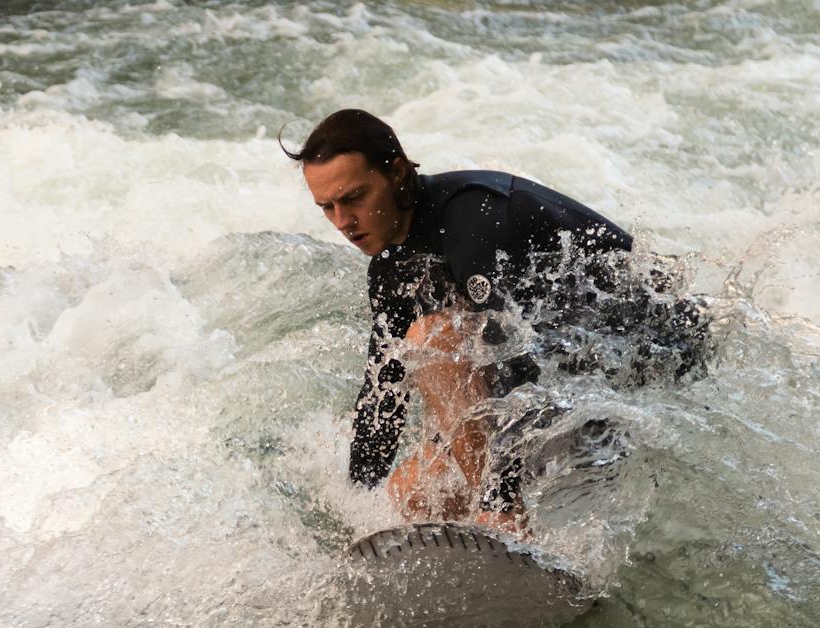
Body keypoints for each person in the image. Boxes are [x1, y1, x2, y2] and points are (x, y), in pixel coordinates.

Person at [285, 108, 704, 533]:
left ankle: (509, 526)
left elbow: (514, 357)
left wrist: (498, 500)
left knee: (432, 340)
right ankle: (508, 569)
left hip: (649, 373)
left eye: (354, 198)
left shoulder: (474, 218)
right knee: (411, 495)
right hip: (571, 391)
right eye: (327, 207)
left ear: (395, 172)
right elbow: (383, 394)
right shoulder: (392, 267)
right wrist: (352, 513)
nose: (342, 222)